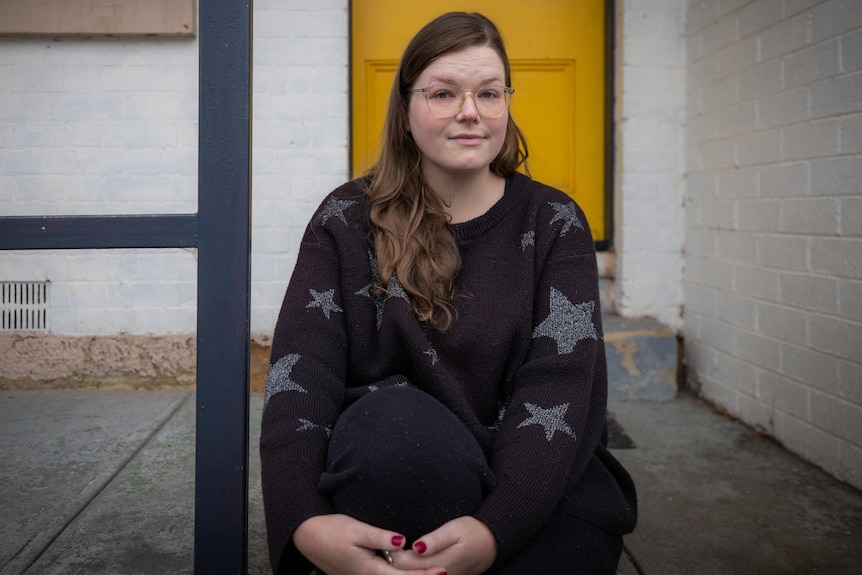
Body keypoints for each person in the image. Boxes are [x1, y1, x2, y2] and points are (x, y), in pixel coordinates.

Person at [260, 11, 637, 575]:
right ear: (406, 109)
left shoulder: (554, 221)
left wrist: (494, 530)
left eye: (489, 93)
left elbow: (560, 383)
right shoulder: (345, 221)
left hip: (536, 488)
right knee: (397, 437)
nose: (469, 112)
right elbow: (300, 375)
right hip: (395, 475)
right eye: (443, 93)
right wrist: (305, 523)